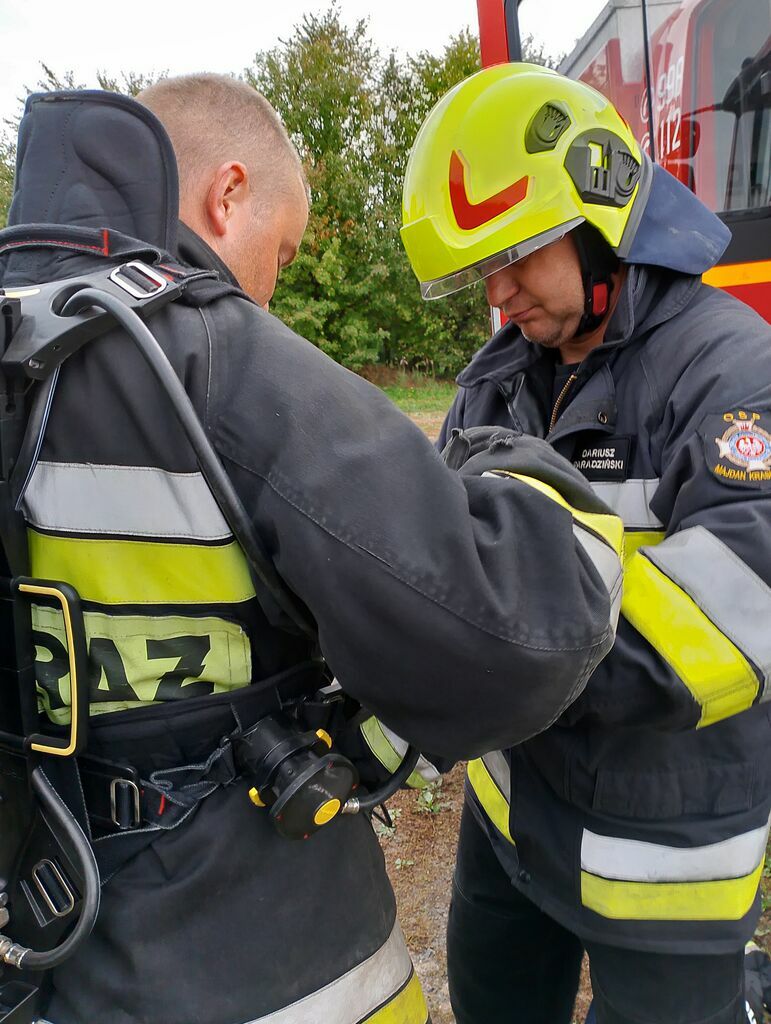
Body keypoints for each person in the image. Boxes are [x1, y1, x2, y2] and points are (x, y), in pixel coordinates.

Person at [0, 76, 623, 1024]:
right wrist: (518, 473)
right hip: (265, 960)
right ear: (227, 195)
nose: (270, 286)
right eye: (283, 250)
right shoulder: (212, 357)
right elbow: (510, 634)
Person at [400, 62, 771, 1024]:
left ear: (602, 210)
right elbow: (442, 562)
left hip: (663, 850)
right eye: (479, 268)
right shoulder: (497, 381)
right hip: (512, 819)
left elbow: (736, 622)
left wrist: (495, 661)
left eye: (516, 252)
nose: (499, 289)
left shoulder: (736, 374)